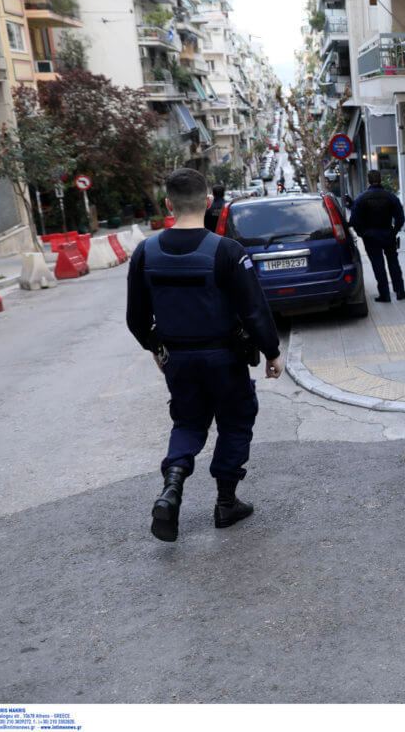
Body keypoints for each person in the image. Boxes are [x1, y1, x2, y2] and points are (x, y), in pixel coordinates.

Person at [126, 168, 283, 543]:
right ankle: (226, 503)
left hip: (177, 362)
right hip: (224, 358)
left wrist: (154, 346)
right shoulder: (227, 251)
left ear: (168, 204)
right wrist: (272, 352)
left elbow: (135, 318)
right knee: (235, 420)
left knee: (188, 422)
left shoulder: (145, 252)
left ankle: (172, 488)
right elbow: (254, 310)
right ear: (209, 203)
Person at [350, 170, 405, 302]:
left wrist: (362, 233)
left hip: (370, 237)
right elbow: (400, 218)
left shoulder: (361, 198)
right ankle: (400, 291)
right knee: (393, 263)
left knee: (378, 265)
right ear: (381, 179)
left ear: (368, 181)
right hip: (388, 234)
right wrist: (394, 231)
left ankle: (385, 295)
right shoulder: (390, 196)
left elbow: (354, 220)